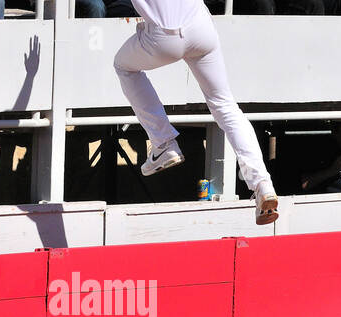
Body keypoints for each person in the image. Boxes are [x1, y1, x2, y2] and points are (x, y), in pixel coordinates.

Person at [113, 0, 279, 225]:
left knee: (123, 66)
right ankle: (262, 184)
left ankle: (163, 143)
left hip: (164, 35)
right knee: (226, 106)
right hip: (201, 26)